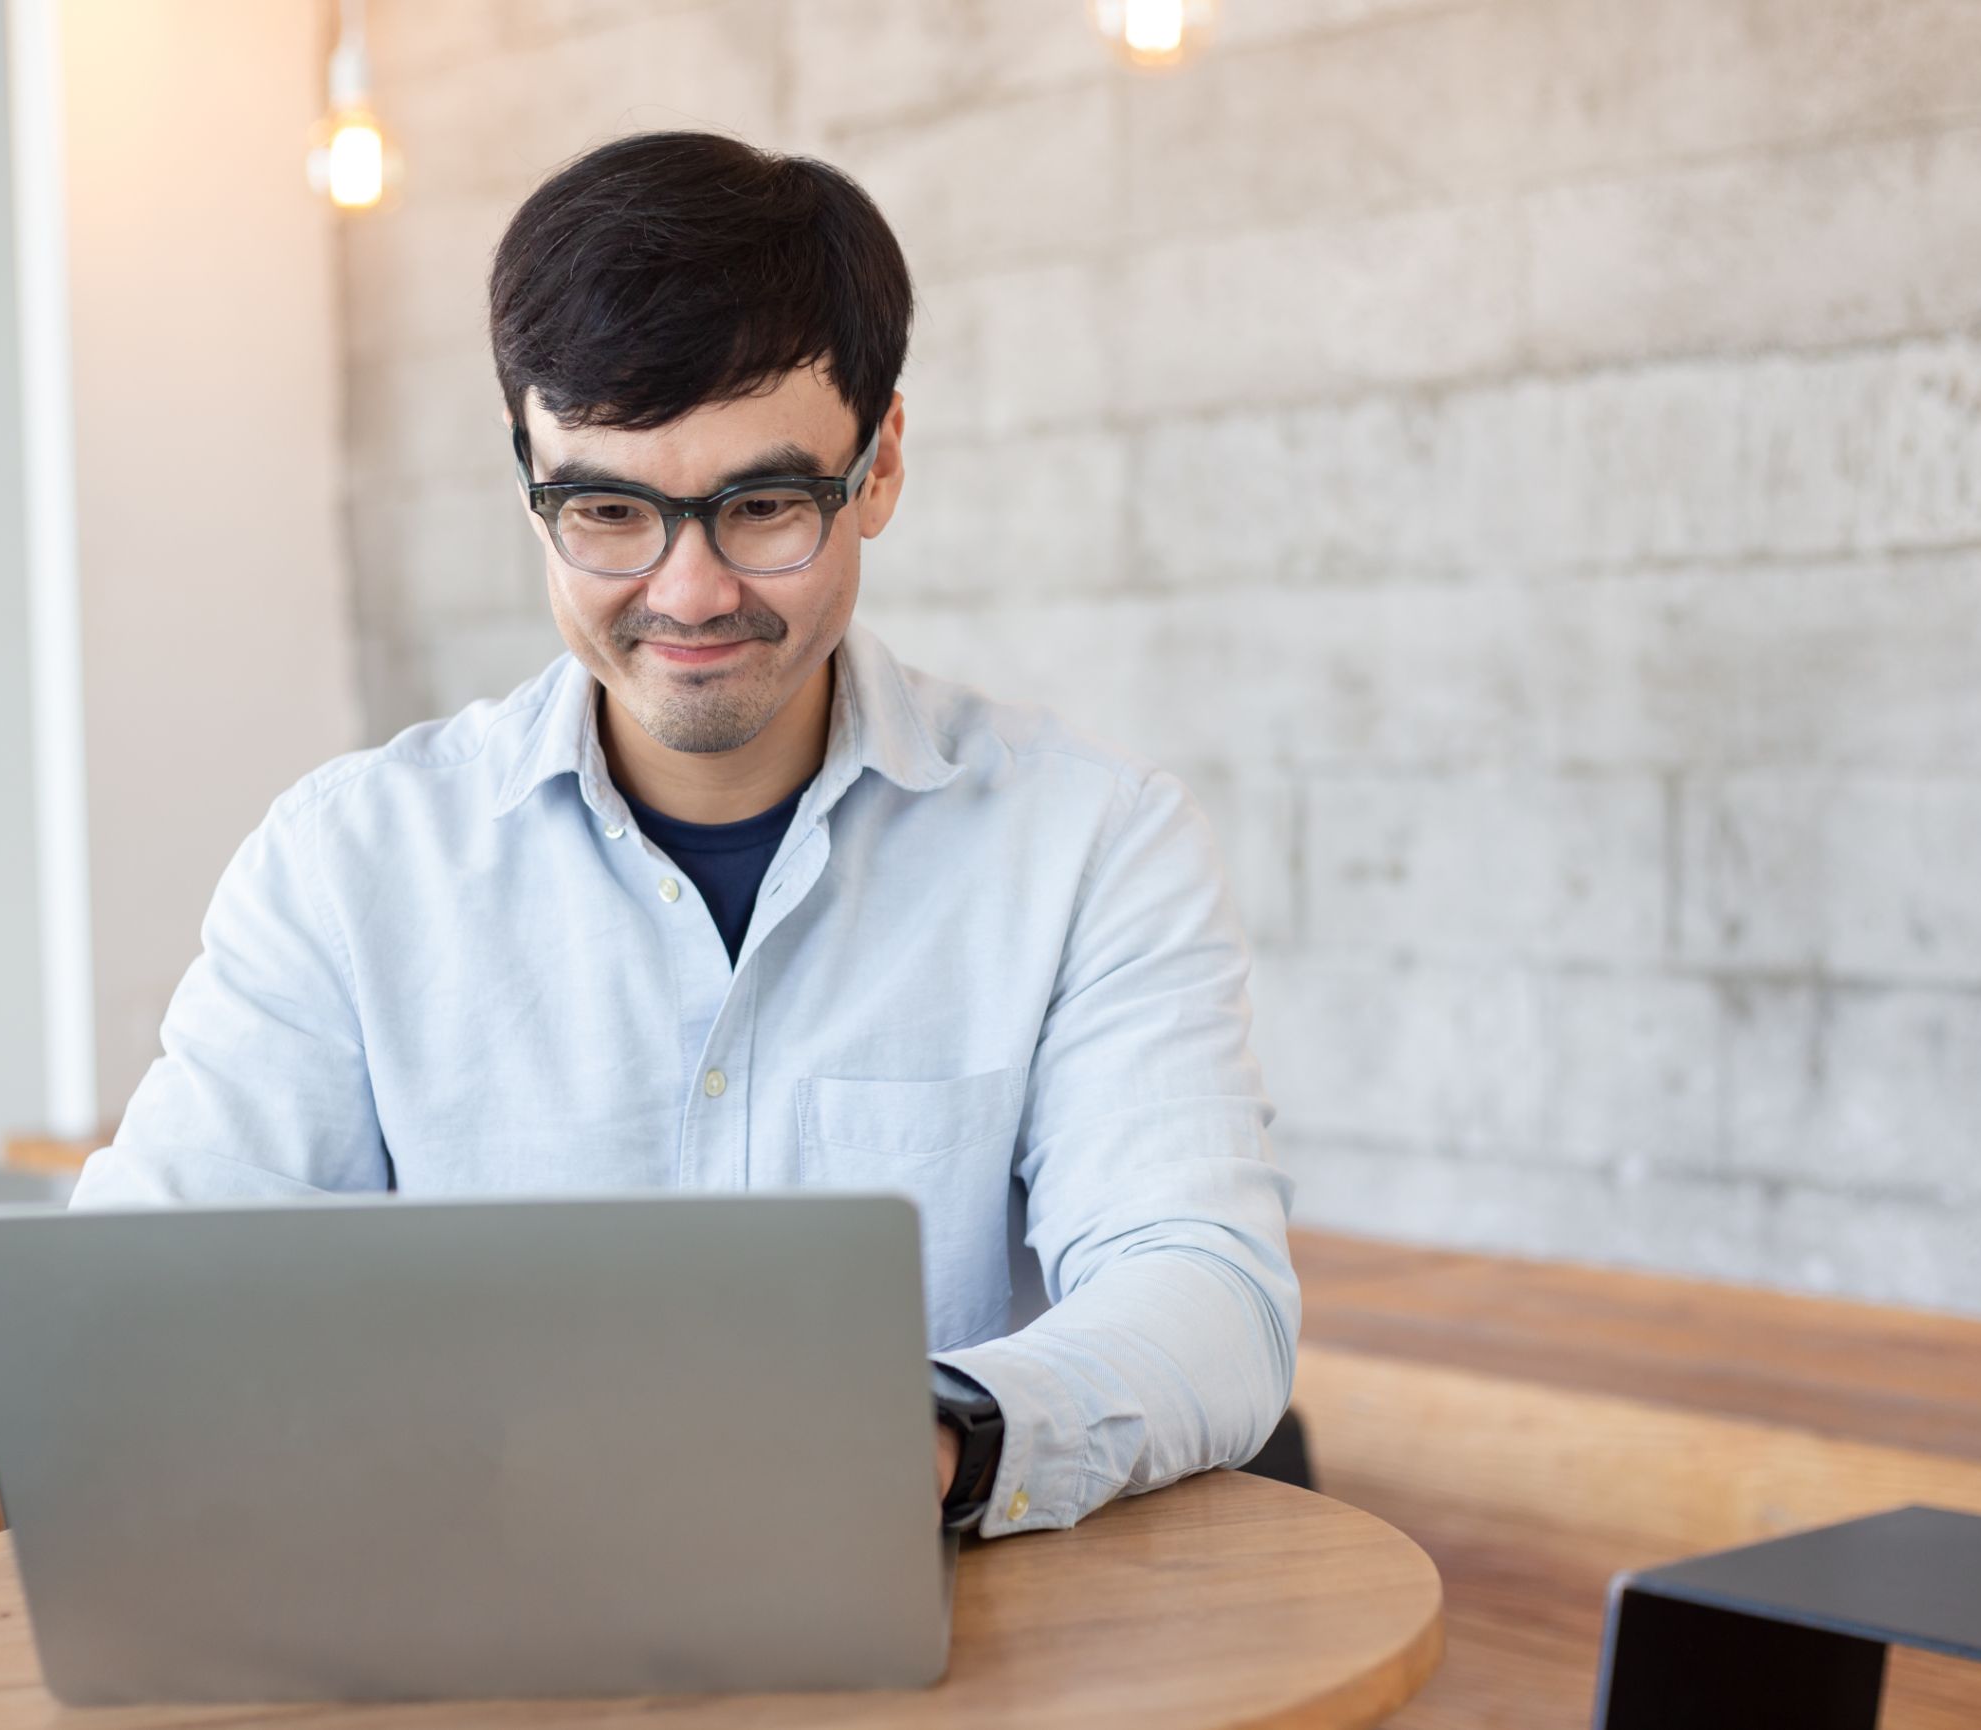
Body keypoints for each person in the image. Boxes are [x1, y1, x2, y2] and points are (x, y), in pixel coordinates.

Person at [72, 130, 1299, 1539]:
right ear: (527, 479)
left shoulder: (1090, 844)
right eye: (606, 510)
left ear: (881, 463)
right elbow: (142, 1302)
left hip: (943, 1637)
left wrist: (922, 1436)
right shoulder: (346, 865)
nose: (690, 590)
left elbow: (1204, 1288)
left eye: (763, 505)